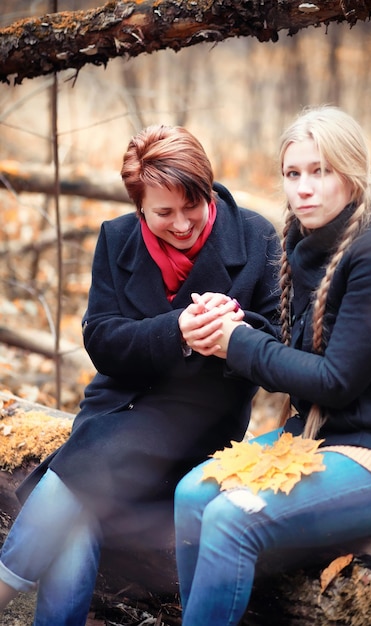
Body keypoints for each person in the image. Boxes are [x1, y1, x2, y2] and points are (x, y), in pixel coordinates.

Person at [0, 124, 281, 625]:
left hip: (198, 423)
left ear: (207, 188)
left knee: (81, 477)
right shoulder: (117, 238)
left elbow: (279, 339)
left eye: (191, 206)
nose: (182, 224)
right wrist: (175, 331)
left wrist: (231, 330)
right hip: (114, 409)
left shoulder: (256, 237)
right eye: (163, 213)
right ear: (139, 208)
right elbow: (101, 338)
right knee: (83, 500)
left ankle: (5, 585)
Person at [174, 105, 371, 626]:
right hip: (315, 438)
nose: (303, 188)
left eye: (320, 171)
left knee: (229, 520)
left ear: (352, 175)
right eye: (293, 173)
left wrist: (238, 344)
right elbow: (302, 356)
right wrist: (234, 326)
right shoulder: (306, 241)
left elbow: (336, 381)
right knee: (192, 493)